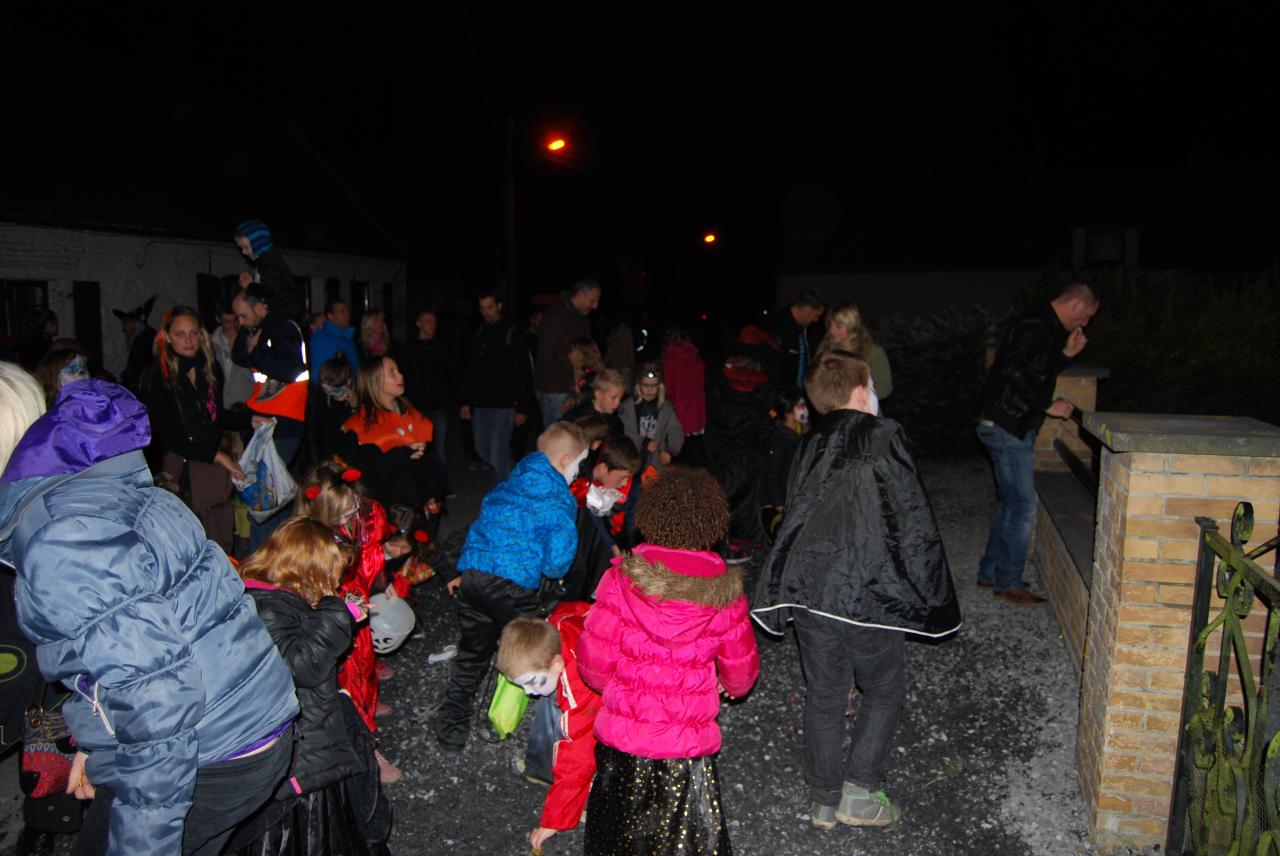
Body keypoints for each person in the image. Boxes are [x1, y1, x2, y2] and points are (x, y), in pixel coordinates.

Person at [0, 374, 298, 855]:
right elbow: (128, 656)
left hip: (208, 749)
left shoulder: (60, 538)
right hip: (245, 721)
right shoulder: (95, 492)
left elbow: (159, 703)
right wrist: (98, 744)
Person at [752, 351, 961, 831]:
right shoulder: (885, 435)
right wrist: (922, 582)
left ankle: (824, 801)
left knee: (824, 693)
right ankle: (860, 792)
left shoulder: (810, 441)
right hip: (869, 592)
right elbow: (909, 512)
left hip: (811, 589)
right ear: (861, 389)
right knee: (883, 688)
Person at [577, 466, 760, 855]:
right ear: (712, 523)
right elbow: (742, 672)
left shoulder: (621, 579)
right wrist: (729, 684)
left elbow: (593, 661)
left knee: (618, 838)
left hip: (625, 739)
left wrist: (618, 686)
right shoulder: (724, 591)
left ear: (652, 517)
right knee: (684, 840)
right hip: (686, 744)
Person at [231, 516, 393, 855]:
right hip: (297, 761)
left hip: (310, 741)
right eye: (331, 570)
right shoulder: (266, 606)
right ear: (308, 567)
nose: (335, 579)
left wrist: (339, 609)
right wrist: (340, 612)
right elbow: (301, 665)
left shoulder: (275, 594)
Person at [432, 421, 588, 752]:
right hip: (512, 587)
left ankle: (452, 726)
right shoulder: (559, 499)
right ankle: (538, 720)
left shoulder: (508, 484)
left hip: (473, 578)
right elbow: (557, 564)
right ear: (562, 461)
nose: (577, 472)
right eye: (578, 464)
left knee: (473, 651)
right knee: (537, 647)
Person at [977, 281, 1099, 605]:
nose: (1084, 323)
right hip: (1008, 425)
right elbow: (1010, 370)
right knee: (1023, 507)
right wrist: (1043, 405)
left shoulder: (1044, 327)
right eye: (1086, 316)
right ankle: (1008, 582)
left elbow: (1037, 371)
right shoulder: (1034, 325)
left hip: (1006, 423)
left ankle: (990, 572)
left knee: (1011, 503)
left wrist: (1067, 355)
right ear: (1076, 305)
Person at [294, 461, 409, 784]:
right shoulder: (307, 542)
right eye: (343, 515)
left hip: (357, 608)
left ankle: (367, 707)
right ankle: (365, 744)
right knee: (344, 682)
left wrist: (381, 578)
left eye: (352, 508)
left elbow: (369, 552)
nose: (351, 517)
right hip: (331, 616)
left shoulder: (361, 513)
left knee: (364, 666)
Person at [144, 306, 252, 552]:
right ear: (168, 336)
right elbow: (168, 436)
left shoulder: (208, 369)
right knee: (191, 543)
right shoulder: (159, 378)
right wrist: (218, 456)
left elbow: (216, 416)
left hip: (212, 469)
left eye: (193, 333)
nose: (189, 340)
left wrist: (251, 419)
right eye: (181, 334)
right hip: (181, 468)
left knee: (221, 539)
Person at [496, 605, 604, 852]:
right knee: (556, 708)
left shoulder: (581, 688)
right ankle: (545, 768)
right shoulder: (553, 627)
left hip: (631, 686)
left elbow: (578, 756)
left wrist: (554, 820)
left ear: (557, 664)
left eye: (533, 682)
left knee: (595, 740)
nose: (529, 692)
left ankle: (596, 796)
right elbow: (575, 608)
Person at [231, 285, 309, 549]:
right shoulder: (259, 329)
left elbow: (291, 369)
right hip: (263, 421)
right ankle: (281, 559)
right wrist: (249, 336)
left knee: (263, 503)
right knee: (277, 500)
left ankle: (261, 568)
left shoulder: (284, 328)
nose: (239, 323)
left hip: (283, 423)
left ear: (260, 307)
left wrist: (257, 352)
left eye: (243, 316)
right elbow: (239, 355)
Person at [343, 355, 444, 513]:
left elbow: (429, 461)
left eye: (398, 371)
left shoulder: (410, 412)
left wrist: (432, 493)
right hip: (389, 508)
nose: (400, 376)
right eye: (392, 373)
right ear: (375, 381)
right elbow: (366, 477)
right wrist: (402, 453)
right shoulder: (362, 424)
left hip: (418, 502)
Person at [458, 289, 535, 482]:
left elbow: (525, 372)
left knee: (498, 451)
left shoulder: (512, 333)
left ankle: (504, 497)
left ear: (499, 306)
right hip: (481, 402)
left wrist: (523, 407)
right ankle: (517, 481)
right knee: (482, 448)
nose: (486, 312)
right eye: (482, 308)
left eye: (490, 307)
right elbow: (472, 370)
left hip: (505, 404)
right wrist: (466, 401)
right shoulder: (480, 332)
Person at [535, 278, 600, 428]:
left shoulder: (582, 318)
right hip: (554, 390)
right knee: (557, 438)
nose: (595, 306)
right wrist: (573, 380)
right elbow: (546, 357)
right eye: (592, 301)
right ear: (581, 295)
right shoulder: (555, 316)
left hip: (572, 387)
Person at [401, 308, 455, 480]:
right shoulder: (409, 349)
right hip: (418, 405)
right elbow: (407, 375)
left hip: (439, 404)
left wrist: (447, 394)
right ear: (418, 323)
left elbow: (449, 373)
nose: (432, 325)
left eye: (434, 321)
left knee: (439, 447)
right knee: (420, 446)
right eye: (428, 321)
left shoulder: (442, 347)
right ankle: (423, 483)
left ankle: (442, 483)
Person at [617, 361, 684, 478]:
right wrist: (643, 442)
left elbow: (676, 431)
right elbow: (623, 432)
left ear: (660, 386)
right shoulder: (627, 407)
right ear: (638, 384)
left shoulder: (666, 408)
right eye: (645, 385)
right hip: (629, 464)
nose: (649, 389)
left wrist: (670, 451)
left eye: (654, 385)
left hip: (656, 466)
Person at [758, 387, 807, 542]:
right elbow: (773, 472)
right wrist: (779, 503)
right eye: (800, 406)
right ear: (788, 412)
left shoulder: (798, 434)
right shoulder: (780, 440)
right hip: (784, 501)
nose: (805, 409)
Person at [817, 303, 893, 399]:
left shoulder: (873, 353)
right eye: (830, 325)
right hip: (832, 410)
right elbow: (815, 382)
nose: (832, 331)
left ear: (852, 326)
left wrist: (856, 398)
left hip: (865, 411)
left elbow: (885, 386)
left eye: (838, 327)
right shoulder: (825, 349)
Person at [234, 220, 304, 323]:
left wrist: (250, 286)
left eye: (246, 247)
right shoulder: (263, 261)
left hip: (283, 314)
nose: (244, 252)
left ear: (258, 244)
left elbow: (270, 289)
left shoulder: (270, 261)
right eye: (241, 248)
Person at [771, 289, 826, 388]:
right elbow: (774, 368)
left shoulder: (807, 329)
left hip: (799, 391)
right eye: (816, 316)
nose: (816, 320)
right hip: (782, 395)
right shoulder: (777, 327)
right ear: (807, 309)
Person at [210, 300, 255, 409]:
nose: (232, 326)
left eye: (235, 320)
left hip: (246, 405)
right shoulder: (210, 343)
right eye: (227, 322)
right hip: (222, 407)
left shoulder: (250, 340)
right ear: (218, 320)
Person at [562, 369, 627, 440]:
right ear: (598, 394)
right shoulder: (576, 418)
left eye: (620, 398)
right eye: (614, 398)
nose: (618, 403)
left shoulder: (616, 419)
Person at [112, 296, 157, 393]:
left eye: (125, 324)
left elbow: (140, 369)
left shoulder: (143, 341)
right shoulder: (144, 338)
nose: (123, 329)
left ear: (134, 324)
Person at [309, 300, 360, 382]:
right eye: (342, 312)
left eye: (347, 311)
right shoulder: (321, 339)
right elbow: (317, 375)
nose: (347, 315)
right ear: (330, 316)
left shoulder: (348, 338)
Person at [563, 336, 605, 414]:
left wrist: (576, 400)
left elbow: (591, 396)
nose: (568, 354)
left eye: (571, 351)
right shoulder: (582, 373)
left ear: (581, 354)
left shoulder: (591, 375)